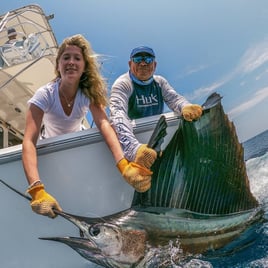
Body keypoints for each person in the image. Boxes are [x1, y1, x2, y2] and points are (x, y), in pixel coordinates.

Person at [22, 35, 152, 219]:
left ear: (84, 67)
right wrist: (36, 189)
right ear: (58, 64)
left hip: (77, 143)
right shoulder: (44, 94)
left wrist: (123, 165)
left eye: (77, 58)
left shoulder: (87, 93)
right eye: (66, 57)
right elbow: (28, 140)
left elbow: (103, 123)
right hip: (50, 146)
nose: (71, 62)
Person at [110, 46, 203, 174]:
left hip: (156, 137)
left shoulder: (160, 82)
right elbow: (118, 114)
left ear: (155, 64)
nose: (143, 63)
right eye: (137, 59)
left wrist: (185, 106)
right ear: (130, 63)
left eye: (148, 59)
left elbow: (174, 99)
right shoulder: (122, 83)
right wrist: (133, 149)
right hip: (133, 141)